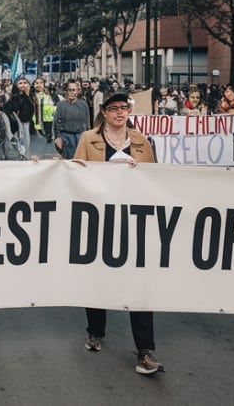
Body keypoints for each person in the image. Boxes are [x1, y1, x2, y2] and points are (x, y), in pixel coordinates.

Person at [73, 93, 162, 375]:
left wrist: (139, 172)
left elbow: (155, 181)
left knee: (139, 285)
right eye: (113, 109)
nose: (120, 113)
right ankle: (96, 331)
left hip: (132, 221)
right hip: (99, 220)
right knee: (97, 279)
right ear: (104, 112)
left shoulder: (141, 141)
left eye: (124, 108)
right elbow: (75, 175)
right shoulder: (89, 139)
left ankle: (145, 351)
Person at [53, 78, 90, 159]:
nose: (71, 92)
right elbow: (57, 124)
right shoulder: (61, 105)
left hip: (80, 137)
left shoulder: (84, 105)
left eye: (73, 90)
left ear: (77, 91)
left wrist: (88, 138)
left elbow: (87, 123)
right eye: (69, 90)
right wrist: (58, 137)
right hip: (66, 138)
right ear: (67, 91)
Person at [6, 78, 36, 153]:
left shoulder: (31, 96)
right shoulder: (16, 97)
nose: (23, 85)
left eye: (25, 82)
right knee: (23, 148)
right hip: (20, 126)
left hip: (29, 125)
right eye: (20, 83)